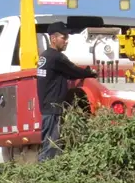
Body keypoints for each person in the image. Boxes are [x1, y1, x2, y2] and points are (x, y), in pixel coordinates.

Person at [36, 23, 96, 162]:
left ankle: (45, 173)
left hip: (47, 107)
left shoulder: (45, 56)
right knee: (51, 146)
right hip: (53, 108)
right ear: (53, 38)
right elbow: (73, 71)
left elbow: (66, 73)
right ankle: (44, 175)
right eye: (64, 37)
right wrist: (90, 73)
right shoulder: (56, 57)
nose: (67, 40)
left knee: (50, 143)